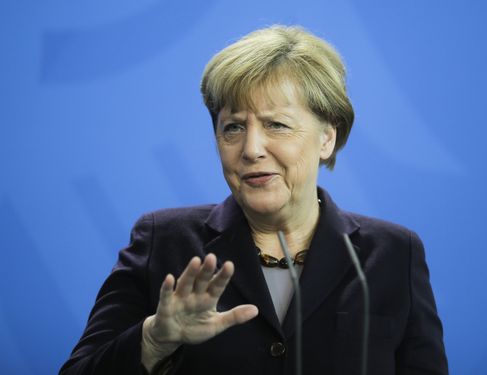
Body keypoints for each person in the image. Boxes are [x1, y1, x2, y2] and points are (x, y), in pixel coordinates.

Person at [60, 25, 448, 375]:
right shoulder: (162, 242)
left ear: (327, 138)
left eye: (276, 124)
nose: (251, 149)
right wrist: (154, 340)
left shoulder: (396, 254)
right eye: (233, 128)